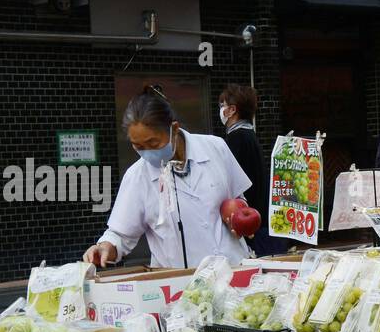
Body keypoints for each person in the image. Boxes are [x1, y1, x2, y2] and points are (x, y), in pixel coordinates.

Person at [83, 85, 253, 270]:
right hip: (180, 285)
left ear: (174, 128)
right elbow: (120, 235)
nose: (147, 152)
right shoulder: (138, 176)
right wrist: (105, 247)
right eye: (138, 146)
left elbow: (238, 198)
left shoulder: (215, 148)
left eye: (153, 142)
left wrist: (238, 215)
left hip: (234, 268)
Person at [218, 84, 282, 257]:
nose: (221, 109)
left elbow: (233, 183)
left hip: (246, 220)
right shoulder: (248, 135)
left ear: (232, 110)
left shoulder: (236, 138)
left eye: (222, 105)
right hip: (257, 216)